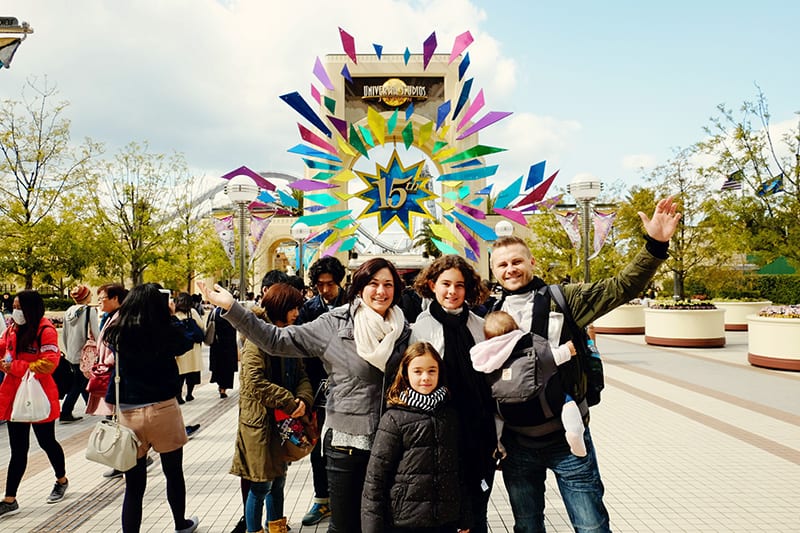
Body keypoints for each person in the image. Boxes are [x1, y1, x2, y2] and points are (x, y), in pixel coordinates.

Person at [490, 196, 680, 532]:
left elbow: (621, 287)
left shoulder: (564, 299)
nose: (511, 270)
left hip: (567, 438)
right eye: (502, 265)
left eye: (517, 261)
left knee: (591, 525)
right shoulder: (488, 314)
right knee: (527, 526)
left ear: (532, 262)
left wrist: (655, 244)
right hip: (517, 442)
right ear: (493, 271)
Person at [199, 257, 411, 533]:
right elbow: (276, 340)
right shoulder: (334, 324)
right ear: (360, 287)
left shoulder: (403, 330)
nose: (381, 291)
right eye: (373, 284)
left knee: (384, 524)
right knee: (346, 525)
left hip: (389, 444)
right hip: (347, 444)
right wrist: (233, 308)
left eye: (388, 284)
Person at [102, 283, 199, 533]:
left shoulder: (118, 333)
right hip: (163, 409)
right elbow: (192, 337)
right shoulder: (165, 330)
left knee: (133, 485)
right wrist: (171, 314)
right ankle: (180, 523)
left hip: (129, 414)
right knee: (173, 472)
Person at [408, 254, 494, 533]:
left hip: (478, 431)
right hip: (440, 433)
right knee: (446, 514)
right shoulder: (421, 327)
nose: (452, 292)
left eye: (460, 285)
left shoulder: (480, 326)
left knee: (477, 510)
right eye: (446, 284)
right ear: (432, 285)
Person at [361, 341, 469, 533]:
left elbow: (461, 469)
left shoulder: (449, 414)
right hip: (406, 519)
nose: (425, 377)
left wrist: (466, 516)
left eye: (432, 371)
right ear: (406, 373)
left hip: (445, 519)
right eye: (417, 371)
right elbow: (375, 478)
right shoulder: (394, 418)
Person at [231, 283, 313, 533]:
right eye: (293, 308)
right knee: (261, 485)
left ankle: (276, 526)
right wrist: (290, 402)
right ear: (280, 307)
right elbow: (254, 382)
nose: (297, 313)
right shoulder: (257, 340)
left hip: (283, 422)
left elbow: (302, 375)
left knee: (279, 480)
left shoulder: (288, 335)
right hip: (261, 424)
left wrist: (303, 400)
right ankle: (254, 529)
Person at [470, 311, 585, 459]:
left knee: (497, 417)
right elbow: (550, 358)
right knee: (567, 401)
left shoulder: (487, 355)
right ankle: (574, 430)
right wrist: (567, 350)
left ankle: (497, 442)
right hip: (539, 403)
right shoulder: (525, 343)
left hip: (507, 410)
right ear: (515, 327)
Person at [0, 291, 69, 518]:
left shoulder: (45, 330)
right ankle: (10, 499)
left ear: (31, 308)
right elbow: (4, 348)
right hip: (14, 396)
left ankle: (61, 479)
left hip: (38, 394)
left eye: (19, 306)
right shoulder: (12, 328)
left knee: (47, 441)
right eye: (14, 306)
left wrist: (16, 367)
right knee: (18, 449)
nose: (15, 311)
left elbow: (49, 364)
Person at [296, 256, 346, 527]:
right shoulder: (309, 308)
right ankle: (322, 499)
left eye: (330, 284)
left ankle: (352, 500)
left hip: (351, 385)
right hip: (319, 388)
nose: (325, 290)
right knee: (319, 448)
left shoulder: (353, 304)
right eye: (320, 285)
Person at [60, 284, 100, 423]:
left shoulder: (68, 311)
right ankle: (65, 412)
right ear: (86, 296)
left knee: (81, 380)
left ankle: (90, 406)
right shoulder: (90, 311)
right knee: (78, 383)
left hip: (72, 352)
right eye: (90, 294)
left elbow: (64, 334)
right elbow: (96, 332)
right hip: (85, 353)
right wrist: (100, 349)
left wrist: (68, 350)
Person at [174, 293, 203, 404]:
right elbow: (201, 325)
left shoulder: (174, 314)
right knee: (192, 373)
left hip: (180, 348)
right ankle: (189, 394)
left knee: (180, 374)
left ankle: (179, 396)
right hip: (193, 347)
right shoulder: (192, 312)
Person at [210, 301, 239, 399]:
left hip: (217, 345)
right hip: (229, 345)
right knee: (227, 368)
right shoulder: (232, 313)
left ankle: (220, 386)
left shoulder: (215, 312)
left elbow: (208, 326)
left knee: (219, 367)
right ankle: (223, 389)